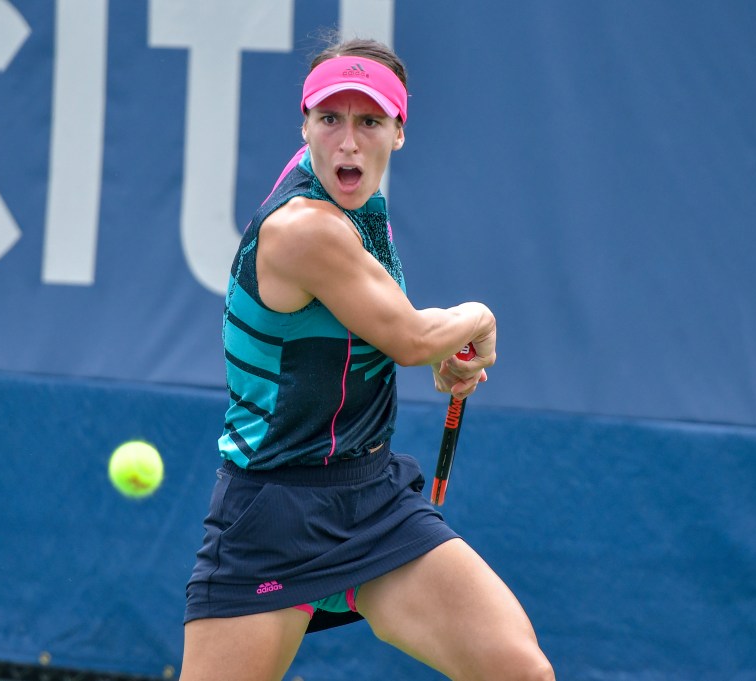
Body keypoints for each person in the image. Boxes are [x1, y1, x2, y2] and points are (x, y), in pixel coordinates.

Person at [181, 37, 554, 681]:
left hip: (372, 497)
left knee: (520, 672)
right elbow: (408, 339)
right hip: (274, 512)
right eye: (330, 120)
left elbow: (382, 332)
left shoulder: (357, 196)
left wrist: (441, 353)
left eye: (368, 122)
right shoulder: (304, 228)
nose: (347, 142)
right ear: (305, 126)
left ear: (398, 132)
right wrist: (475, 320)